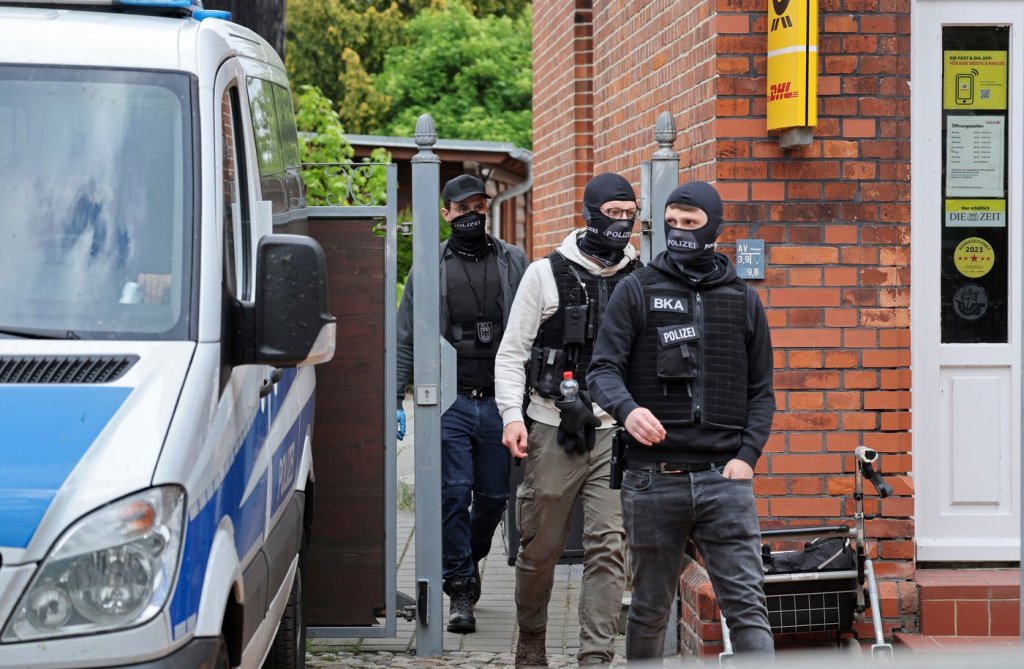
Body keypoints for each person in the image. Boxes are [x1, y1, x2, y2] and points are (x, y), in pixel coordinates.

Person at [587, 181, 776, 662]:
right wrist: (628, 410)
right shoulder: (636, 290)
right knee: (650, 609)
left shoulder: (742, 300)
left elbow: (761, 391)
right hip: (653, 478)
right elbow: (602, 370)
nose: (679, 233)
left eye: (690, 224)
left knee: (748, 608)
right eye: (671, 223)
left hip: (724, 479)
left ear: (714, 228)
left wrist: (747, 457)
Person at [495, 173, 640, 668]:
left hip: (614, 431)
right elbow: (512, 353)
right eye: (613, 213)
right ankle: (532, 634)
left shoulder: (640, 277)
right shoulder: (544, 274)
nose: (622, 223)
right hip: (552, 424)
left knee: (608, 547)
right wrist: (511, 416)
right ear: (591, 213)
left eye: (629, 214)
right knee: (541, 546)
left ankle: (595, 655)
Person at [395, 173, 528, 634]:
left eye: (479, 207)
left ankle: (465, 560)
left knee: (493, 498)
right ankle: (461, 589)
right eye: (463, 208)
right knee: (453, 493)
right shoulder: (428, 267)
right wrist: (395, 398)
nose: (472, 215)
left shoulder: (513, 261)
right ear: (446, 213)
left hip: (500, 401)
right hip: (448, 401)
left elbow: (532, 327)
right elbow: (406, 337)